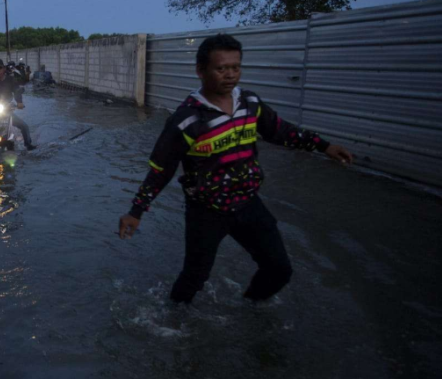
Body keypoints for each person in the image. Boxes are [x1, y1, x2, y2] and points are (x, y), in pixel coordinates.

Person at [118, 34, 353, 304]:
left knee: (279, 269)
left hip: (248, 203)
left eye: (235, 67)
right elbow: (162, 170)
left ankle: (250, 309)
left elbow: (280, 131)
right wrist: (136, 211)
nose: (230, 75)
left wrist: (323, 146)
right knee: (194, 278)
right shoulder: (186, 120)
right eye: (221, 68)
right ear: (200, 70)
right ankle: (174, 324)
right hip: (206, 212)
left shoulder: (250, 103)